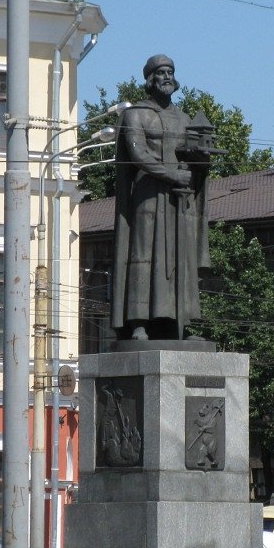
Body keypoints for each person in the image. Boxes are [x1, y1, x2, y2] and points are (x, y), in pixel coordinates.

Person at [111, 54, 211, 341]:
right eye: (161, 72)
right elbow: (139, 156)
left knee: (182, 259)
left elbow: (196, 154)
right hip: (147, 200)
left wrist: (198, 168)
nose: (167, 76)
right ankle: (138, 322)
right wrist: (173, 175)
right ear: (150, 79)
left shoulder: (185, 119)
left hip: (180, 202)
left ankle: (182, 322)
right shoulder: (135, 115)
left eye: (170, 72)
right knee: (144, 256)